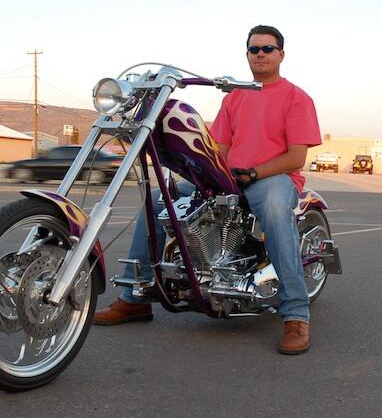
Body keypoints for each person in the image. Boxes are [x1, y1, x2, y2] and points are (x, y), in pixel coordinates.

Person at [94, 25, 322, 355]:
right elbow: (221, 148)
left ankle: (296, 315)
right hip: (232, 175)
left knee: (274, 208)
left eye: (267, 49)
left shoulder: (296, 98)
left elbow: (296, 157)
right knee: (159, 198)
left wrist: (255, 171)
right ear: (246, 55)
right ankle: (135, 297)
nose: (260, 54)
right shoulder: (237, 96)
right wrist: (204, 171)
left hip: (272, 177)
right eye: (254, 49)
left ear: (281, 55)